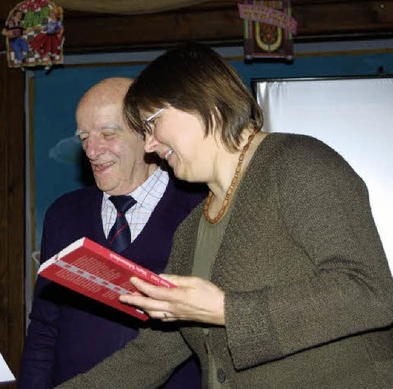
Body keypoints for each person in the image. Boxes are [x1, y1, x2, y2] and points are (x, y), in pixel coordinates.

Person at [57, 42, 393, 389]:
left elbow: (370, 292)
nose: (149, 145)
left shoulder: (296, 164)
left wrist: (226, 310)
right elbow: (156, 351)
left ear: (201, 102)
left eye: (152, 124)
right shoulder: (191, 228)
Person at [19, 77, 206, 388]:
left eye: (108, 134)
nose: (92, 151)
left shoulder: (200, 211)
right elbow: (44, 327)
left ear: (148, 135)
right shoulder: (63, 215)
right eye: (83, 138)